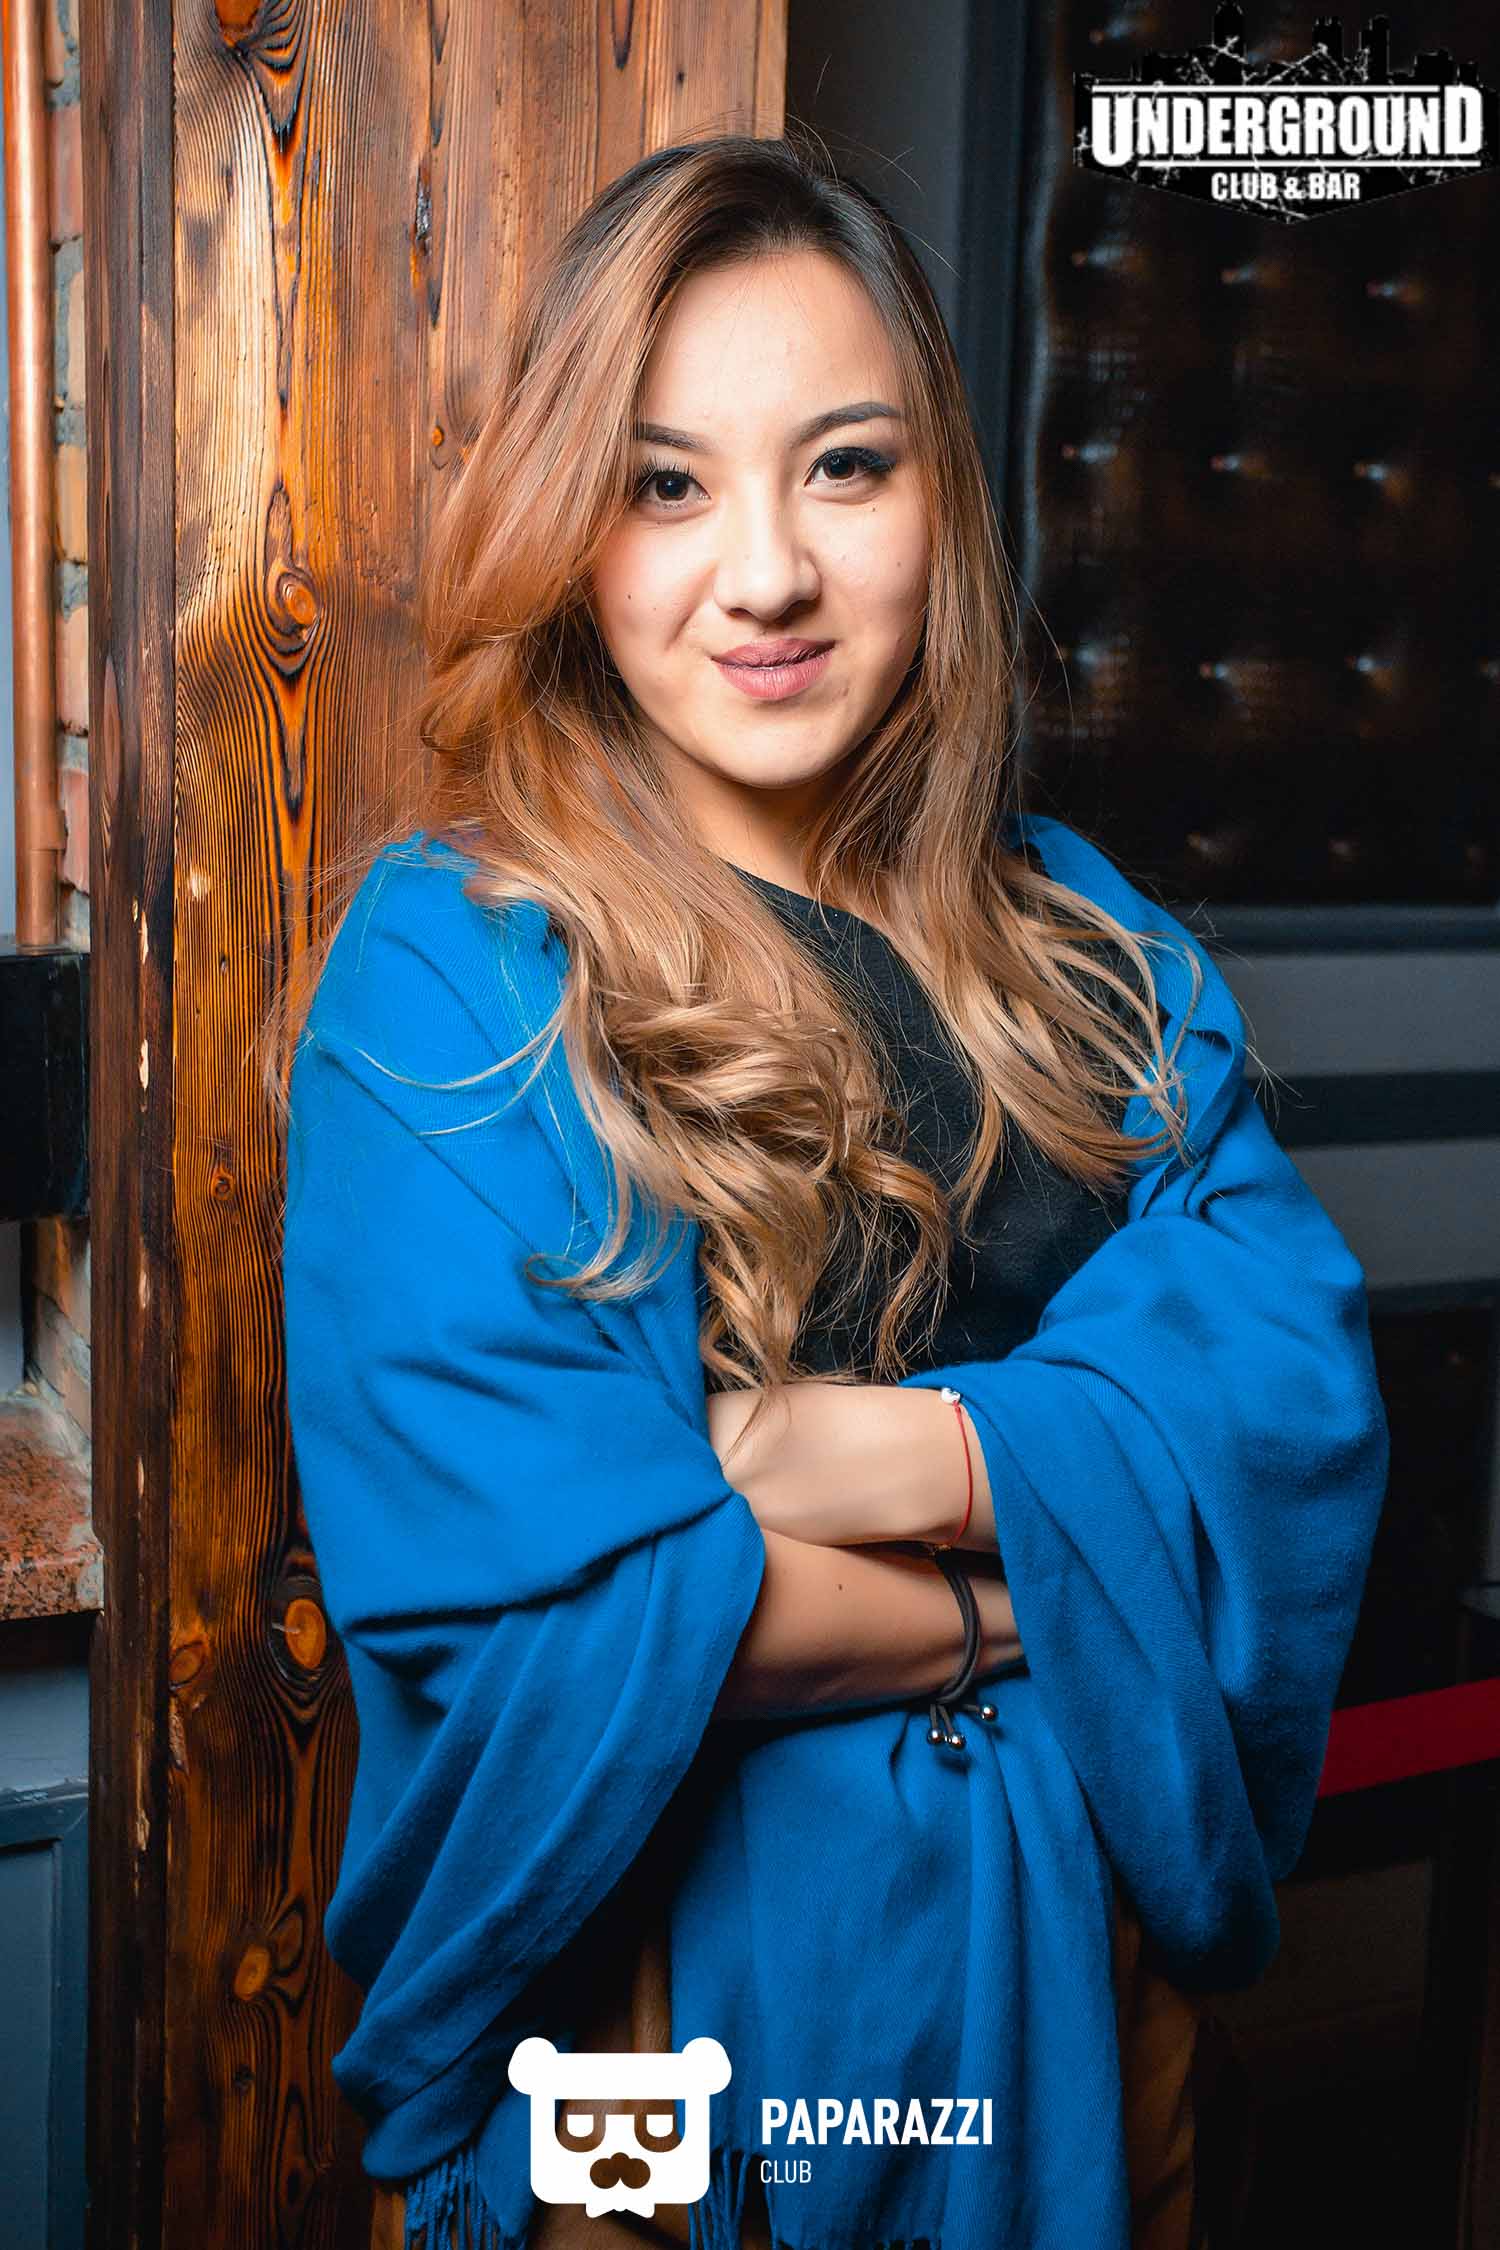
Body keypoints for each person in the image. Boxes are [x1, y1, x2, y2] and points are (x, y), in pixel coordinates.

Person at [275, 134, 1389, 2250]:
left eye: (846, 467)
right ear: (574, 527)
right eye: (667, 484)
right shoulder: (457, 978)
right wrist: (1061, 1576)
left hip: (1082, 2012)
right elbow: (556, 1618)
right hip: (666, 2041)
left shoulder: (1089, 945)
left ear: (938, 500)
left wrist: (865, 1457)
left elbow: (1290, 1402)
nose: (767, 573)